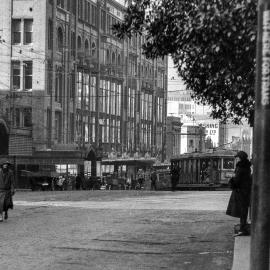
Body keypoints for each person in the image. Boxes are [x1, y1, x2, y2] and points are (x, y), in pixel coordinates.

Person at [226, 151, 252, 236]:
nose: (236, 159)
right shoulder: (247, 166)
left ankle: (243, 229)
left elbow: (237, 180)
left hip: (241, 191)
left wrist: (231, 181)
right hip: (245, 190)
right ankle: (242, 227)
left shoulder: (241, 167)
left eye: (237, 157)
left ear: (240, 158)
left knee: (242, 209)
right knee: (243, 209)